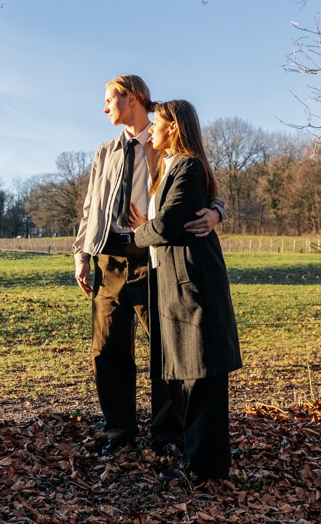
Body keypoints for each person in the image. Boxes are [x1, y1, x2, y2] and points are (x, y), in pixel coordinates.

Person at [73, 75, 225, 457]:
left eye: (110, 99)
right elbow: (91, 207)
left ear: (133, 98)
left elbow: (207, 189)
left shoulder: (165, 143)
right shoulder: (104, 152)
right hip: (108, 260)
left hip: (154, 261)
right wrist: (82, 253)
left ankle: (167, 435)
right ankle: (118, 432)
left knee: (165, 350)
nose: (104, 107)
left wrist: (217, 213)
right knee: (106, 350)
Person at [132, 99, 242, 485]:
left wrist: (137, 234)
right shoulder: (172, 167)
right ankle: (201, 461)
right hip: (178, 286)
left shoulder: (189, 166)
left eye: (157, 123)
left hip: (194, 287)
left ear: (174, 127)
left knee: (202, 377)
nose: (152, 129)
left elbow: (165, 226)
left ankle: (205, 468)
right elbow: (166, 222)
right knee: (192, 376)